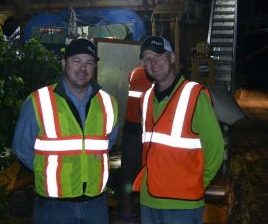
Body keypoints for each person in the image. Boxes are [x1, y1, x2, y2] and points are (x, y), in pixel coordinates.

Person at [12, 38, 119, 224]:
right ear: (64, 63)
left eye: (89, 63)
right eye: (76, 61)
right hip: (53, 207)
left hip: (96, 204)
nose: (82, 68)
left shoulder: (109, 103)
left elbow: (108, 143)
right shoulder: (38, 101)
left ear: (95, 68)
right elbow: (22, 149)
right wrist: (48, 170)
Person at [133, 36, 224, 224]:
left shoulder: (195, 94)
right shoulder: (145, 98)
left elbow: (215, 148)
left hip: (182, 204)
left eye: (159, 56)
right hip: (148, 200)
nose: (154, 62)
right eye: (148, 58)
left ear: (172, 58)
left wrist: (197, 185)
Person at [120, 65, 153, 221]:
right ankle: (143, 211)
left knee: (128, 172)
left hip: (130, 128)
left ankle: (128, 213)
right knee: (147, 171)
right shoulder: (159, 75)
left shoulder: (133, 71)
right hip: (146, 129)